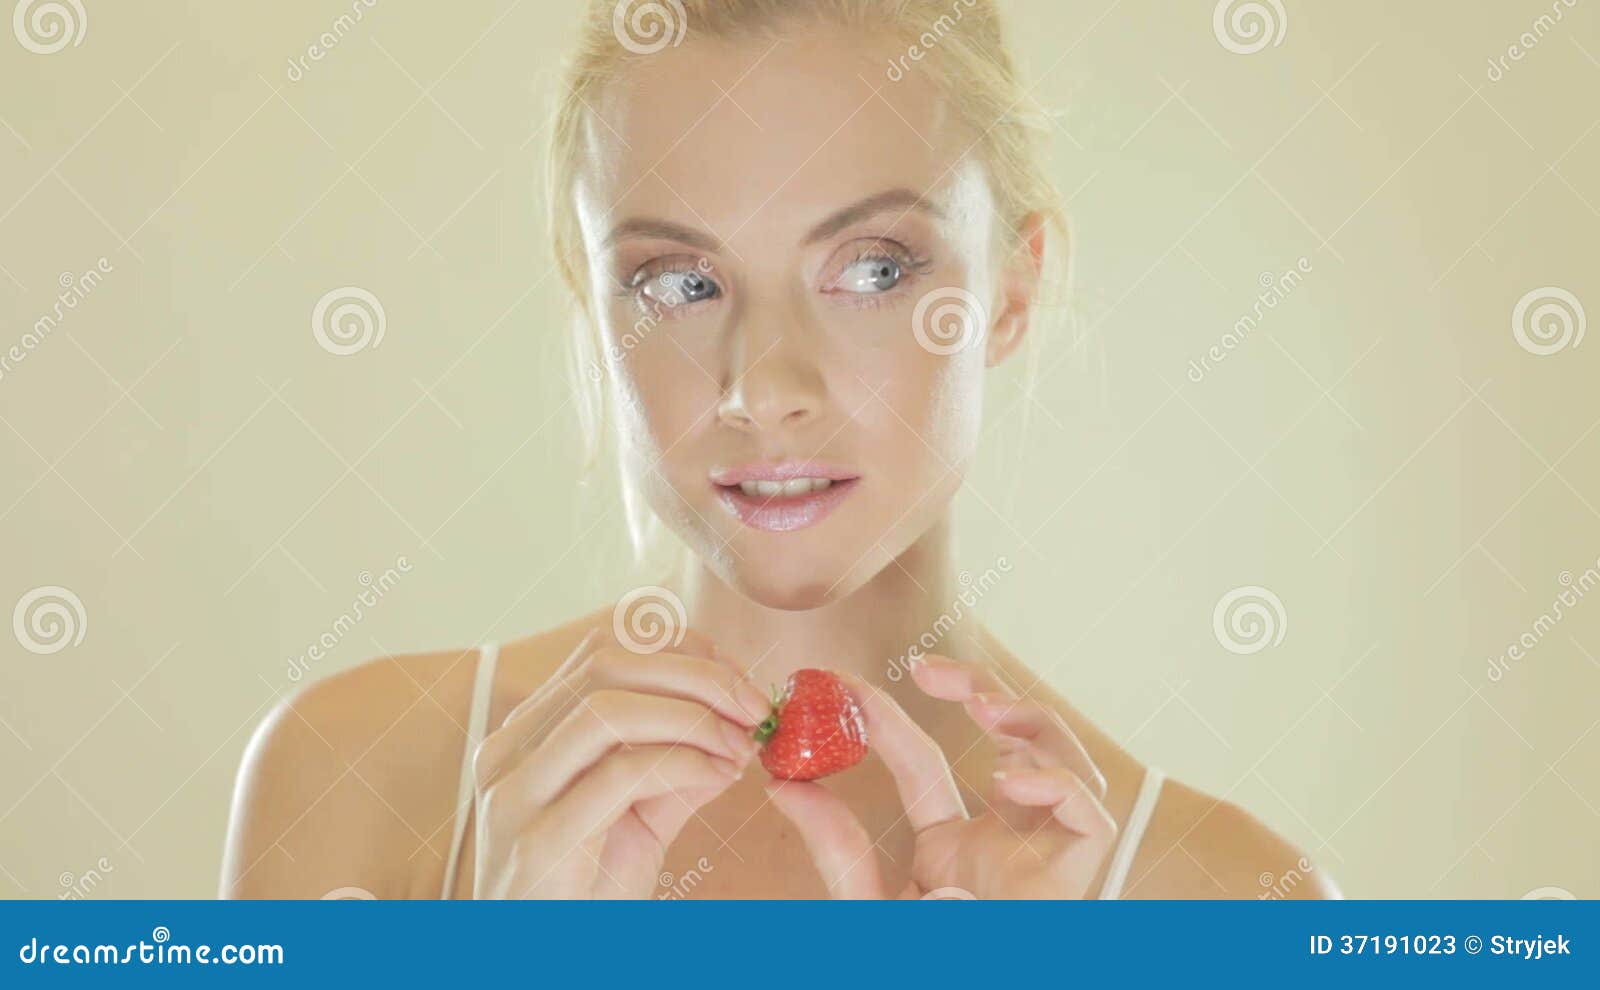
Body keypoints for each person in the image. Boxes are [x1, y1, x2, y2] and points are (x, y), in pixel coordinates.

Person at [221, 0, 1339, 900]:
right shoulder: (355, 783)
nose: (764, 389)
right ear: (594, 307)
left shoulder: (1234, 902)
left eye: (873, 268)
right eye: (681, 283)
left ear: (1011, 289)